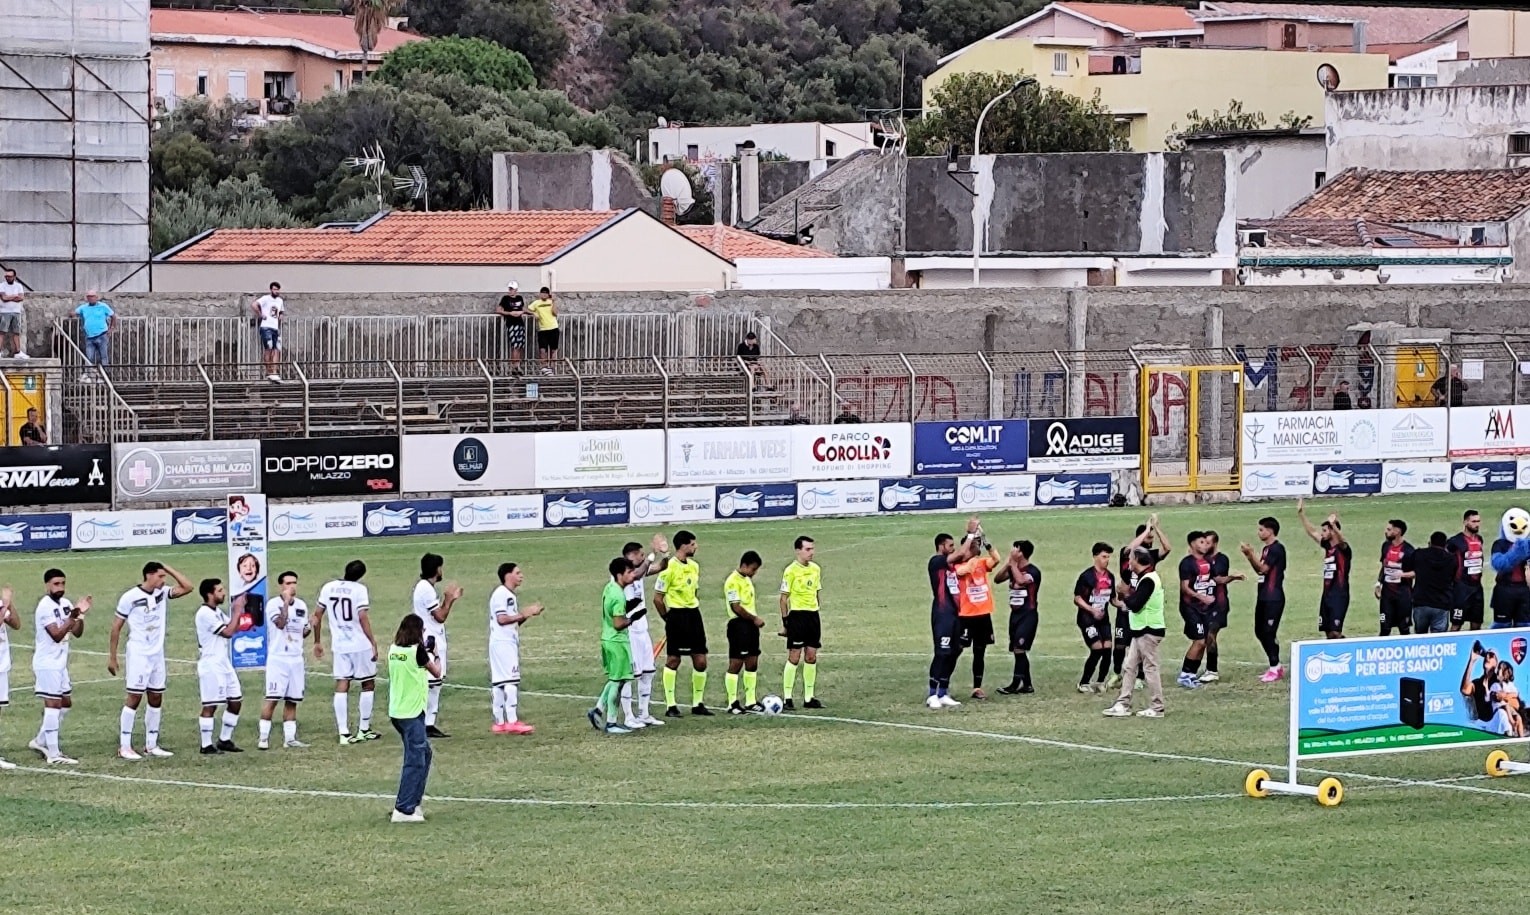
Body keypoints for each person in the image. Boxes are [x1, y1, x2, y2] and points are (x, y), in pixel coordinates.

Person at [109, 561, 193, 760]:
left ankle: (151, 744)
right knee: (135, 697)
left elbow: (188, 587)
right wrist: (112, 657)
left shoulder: (162, 593)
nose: (164, 580)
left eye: (165, 577)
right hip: (139, 653)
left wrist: (169, 568)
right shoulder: (130, 597)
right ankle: (124, 746)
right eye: (160, 576)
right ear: (148, 576)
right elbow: (116, 628)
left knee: (156, 696)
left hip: (157, 653)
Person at [314, 560, 379, 745]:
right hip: (359, 644)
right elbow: (362, 616)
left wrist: (317, 641)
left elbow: (317, 616)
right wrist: (372, 642)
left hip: (340, 645)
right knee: (367, 684)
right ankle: (363, 729)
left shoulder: (329, 587)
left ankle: (343, 732)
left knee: (342, 684)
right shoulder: (359, 590)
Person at [386, 613, 441, 823]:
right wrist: (435, 654)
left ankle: (413, 801)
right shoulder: (418, 652)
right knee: (415, 759)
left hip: (397, 711)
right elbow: (436, 672)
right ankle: (404, 808)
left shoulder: (394, 649)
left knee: (424, 753)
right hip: (412, 711)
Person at [1103, 547, 1167, 719]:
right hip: (1140, 631)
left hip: (1148, 630)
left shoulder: (1148, 580)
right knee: (1129, 667)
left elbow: (1137, 604)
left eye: (1131, 558)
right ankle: (1122, 704)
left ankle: (1157, 707)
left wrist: (1124, 596)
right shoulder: (1145, 578)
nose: (1128, 562)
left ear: (1138, 560)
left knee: (1149, 668)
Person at [31, 569, 86, 765]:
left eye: (62, 583)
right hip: (47, 663)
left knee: (65, 704)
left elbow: (77, 633)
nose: (60, 588)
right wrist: (71, 618)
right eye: (56, 584)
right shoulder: (44, 607)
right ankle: (53, 754)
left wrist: (79, 616)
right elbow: (56, 635)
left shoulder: (66, 604)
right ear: (47, 585)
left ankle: (40, 741)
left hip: (60, 664)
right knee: (53, 705)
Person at [1109, 517, 1170, 689]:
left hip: (1139, 603)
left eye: (1151, 539)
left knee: (1139, 643)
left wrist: (1156, 528)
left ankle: (1140, 677)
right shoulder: (1127, 554)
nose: (1150, 542)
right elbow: (1130, 548)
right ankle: (1116, 673)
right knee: (1120, 643)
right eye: (1147, 539)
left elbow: (1167, 549)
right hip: (1125, 605)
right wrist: (1146, 530)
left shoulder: (1149, 559)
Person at [655, 530, 710, 716]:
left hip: (694, 615)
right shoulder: (668, 568)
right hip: (676, 616)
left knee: (701, 660)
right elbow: (658, 598)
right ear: (683, 545)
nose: (696, 547)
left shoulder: (694, 566)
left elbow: (695, 591)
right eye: (693, 544)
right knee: (673, 660)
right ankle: (671, 705)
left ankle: (698, 704)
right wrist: (667, 619)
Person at [618, 536, 669, 729]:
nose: (642, 557)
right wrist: (652, 553)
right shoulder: (622, 573)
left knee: (648, 673)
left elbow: (661, 567)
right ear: (630, 556)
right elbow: (638, 574)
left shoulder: (639, 570)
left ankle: (644, 714)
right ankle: (629, 716)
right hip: (628, 631)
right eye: (639, 554)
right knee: (631, 675)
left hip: (642, 630)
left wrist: (665, 553)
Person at [488, 562, 541, 735]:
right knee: (510, 680)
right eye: (518, 572)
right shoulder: (502, 594)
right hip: (504, 643)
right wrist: (524, 613)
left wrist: (526, 615)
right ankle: (512, 721)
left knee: (500, 682)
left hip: (501, 641)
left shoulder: (507, 595)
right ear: (507, 575)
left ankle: (500, 722)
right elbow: (502, 619)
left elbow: (512, 621)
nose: (521, 575)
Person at [413, 553, 463, 739]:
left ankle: (427, 723)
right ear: (436, 569)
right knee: (432, 683)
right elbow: (440, 616)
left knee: (434, 683)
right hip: (430, 640)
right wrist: (449, 599)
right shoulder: (426, 589)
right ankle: (426, 724)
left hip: (430, 638)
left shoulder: (424, 587)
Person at [259, 570, 310, 750]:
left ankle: (290, 738)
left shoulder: (302, 605)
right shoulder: (274, 604)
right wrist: (286, 605)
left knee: (292, 699)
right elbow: (280, 624)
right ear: (281, 585)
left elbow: (303, 630)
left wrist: (311, 627)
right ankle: (263, 738)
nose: (292, 586)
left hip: (296, 658)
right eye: (288, 583)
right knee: (272, 698)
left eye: (294, 582)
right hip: (278, 658)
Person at [590, 557, 640, 735]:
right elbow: (618, 623)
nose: (633, 575)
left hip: (607, 639)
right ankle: (611, 722)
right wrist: (633, 618)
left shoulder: (610, 588)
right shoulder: (618, 595)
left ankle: (597, 709)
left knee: (614, 679)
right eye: (629, 572)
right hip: (617, 641)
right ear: (620, 575)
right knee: (618, 682)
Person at [194, 579, 244, 755]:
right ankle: (206, 745)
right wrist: (237, 611)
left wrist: (242, 613)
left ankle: (224, 740)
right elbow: (228, 633)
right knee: (211, 704)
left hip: (223, 662)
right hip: (211, 664)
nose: (223, 593)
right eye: (220, 590)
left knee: (235, 701)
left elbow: (233, 627)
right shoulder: (204, 614)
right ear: (210, 594)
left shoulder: (217, 612)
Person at [926, 525, 974, 708]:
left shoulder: (952, 565)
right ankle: (932, 694)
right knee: (942, 652)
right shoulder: (936, 561)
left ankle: (943, 691)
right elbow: (960, 553)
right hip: (942, 612)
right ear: (941, 546)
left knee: (955, 650)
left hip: (956, 614)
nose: (953, 549)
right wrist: (969, 534)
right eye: (950, 545)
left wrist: (977, 536)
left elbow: (969, 553)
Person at [1240, 517, 1288, 683]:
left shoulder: (1276, 549)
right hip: (1264, 597)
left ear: (1270, 530)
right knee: (1259, 631)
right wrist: (1251, 557)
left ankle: (1275, 667)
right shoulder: (1267, 549)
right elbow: (1259, 571)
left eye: (1261, 529)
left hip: (1273, 597)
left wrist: (1250, 554)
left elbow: (1263, 569)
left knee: (1268, 632)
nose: (1258, 532)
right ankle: (1275, 665)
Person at [954, 531, 1001, 700]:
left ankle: (977, 687)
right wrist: (973, 552)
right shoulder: (959, 566)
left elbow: (996, 560)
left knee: (980, 651)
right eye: (972, 546)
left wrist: (987, 543)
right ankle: (942, 681)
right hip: (966, 615)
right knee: (957, 649)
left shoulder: (982, 563)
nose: (976, 548)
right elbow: (968, 568)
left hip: (983, 615)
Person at [780, 535, 824, 710]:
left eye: (812, 549)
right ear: (798, 550)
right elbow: (783, 599)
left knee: (811, 656)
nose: (811, 552)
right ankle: (788, 698)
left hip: (813, 616)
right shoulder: (790, 571)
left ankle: (808, 698)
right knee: (794, 657)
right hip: (797, 617)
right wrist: (786, 622)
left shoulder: (816, 569)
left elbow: (816, 592)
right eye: (807, 549)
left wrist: (816, 608)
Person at [1298, 499, 1350, 638]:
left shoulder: (1343, 549)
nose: (1322, 533)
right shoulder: (1328, 547)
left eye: (1325, 530)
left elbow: (1343, 541)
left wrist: (1334, 525)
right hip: (1326, 595)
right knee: (1327, 631)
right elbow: (1312, 532)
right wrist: (1301, 515)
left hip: (1339, 595)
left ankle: (1344, 650)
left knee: (1335, 632)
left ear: (1333, 531)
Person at [995, 540, 1041, 695]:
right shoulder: (1013, 569)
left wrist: (1013, 564)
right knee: (1017, 651)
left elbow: (1022, 581)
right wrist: (1008, 564)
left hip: (1028, 615)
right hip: (1015, 615)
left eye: (1015, 549)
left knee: (1019, 649)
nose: (1012, 551)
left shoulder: (1033, 571)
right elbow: (997, 579)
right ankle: (1027, 685)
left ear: (1022, 553)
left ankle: (1015, 684)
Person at [1073, 542, 1119, 693]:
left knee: (1107, 648)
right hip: (1087, 618)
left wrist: (1125, 605)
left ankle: (1100, 681)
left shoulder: (1110, 577)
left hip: (1103, 618)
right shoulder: (1086, 577)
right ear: (1095, 557)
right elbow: (1077, 598)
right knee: (1097, 648)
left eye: (1108, 557)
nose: (1107, 560)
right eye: (1104, 556)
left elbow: (1112, 599)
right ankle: (1084, 683)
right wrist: (1091, 610)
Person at [724, 551, 766, 714]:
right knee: (736, 663)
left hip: (750, 627)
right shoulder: (732, 581)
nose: (754, 573)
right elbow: (736, 607)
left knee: (752, 662)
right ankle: (732, 702)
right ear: (744, 565)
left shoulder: (747, 580)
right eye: (753, 569)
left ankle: (750, 701)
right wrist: (754, 619)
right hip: (738, 625)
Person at [1199, 531, 1243, 684]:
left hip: (1219, 604)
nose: (1205, 545)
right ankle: (1202, 668)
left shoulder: (1222, 559)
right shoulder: (1200, 559)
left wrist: (1232, 577)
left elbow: (1219, 579)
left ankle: (1212, 670)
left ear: (1215, 543)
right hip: (1203, 605)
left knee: (1211, 633)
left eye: (1208, 542)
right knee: (1203, 636)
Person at [1175, 531, 1214, 690]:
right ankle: (1184, 675)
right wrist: (1201, 597)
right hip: (1190, 607)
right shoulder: (1186, 563)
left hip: (1203, 608)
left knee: (1204, 642)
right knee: (1199, 641)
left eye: (1206, 542)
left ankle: (1191, 674)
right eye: (1201, 542)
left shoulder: (1207, 562)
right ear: (1192, 544)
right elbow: (1185, 588)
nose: (1205, 545)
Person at [1376, 519, 1415, 637]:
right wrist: (1378, 583)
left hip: (1403, 594)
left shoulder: (1409, 550)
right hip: (1387, 595)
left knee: (1404, 629)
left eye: (1389, 529)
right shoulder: (1386, 546)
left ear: (1397, 531)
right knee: (1384, 629)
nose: (1385, 532)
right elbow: (1384, 566)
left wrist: (1402, 575)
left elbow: (1416, 572)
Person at [1490, 515, 1530, 629]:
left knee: (1524, 626)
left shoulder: (1527, 545)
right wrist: (1517, 551)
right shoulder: (1499, 544)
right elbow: (1500, 564)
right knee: (1501, 625)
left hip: (1524, 589)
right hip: (1504, 589)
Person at [1448, 510, 1486, 632]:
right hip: (1461, 588)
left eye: (1478, 521)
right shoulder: (1455, 541)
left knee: (1476, 624)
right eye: (1473, 521)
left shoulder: (1480, 539)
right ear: (1465, 522)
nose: (1477, 524)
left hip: (1477, 588)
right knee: (1456, 624)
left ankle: (1475, 648)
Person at [1412, 532, 1456, 635]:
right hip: (1441, 603)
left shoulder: (1419, 554)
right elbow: (1454, 577)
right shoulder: (1451, 559)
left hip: (1421, 602)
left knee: (1420, 637)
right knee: (1439, 639)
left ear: (1430, 542)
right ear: (1445, 545)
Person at [252, 281, 284, 383]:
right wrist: (260, 315)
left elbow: (281, 311)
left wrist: (281, 316)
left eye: (278, 289)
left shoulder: (280, 301)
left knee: (276, 349)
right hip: (266, 327)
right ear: (271, 290)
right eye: (274, 289)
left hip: (275, 327)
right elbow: (254, 304)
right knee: (268, 348)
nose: (276, 291)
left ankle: (274, 372)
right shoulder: (266, 298)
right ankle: (269, 372)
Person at [75, 290, 114, 368]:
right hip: (89, 337)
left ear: (96, 297)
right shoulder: (84, 307)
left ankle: (105, 376)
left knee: (104, 357)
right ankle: (89, 376)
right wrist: (72, 315)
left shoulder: (103, 306)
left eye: (92, 296)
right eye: (89, 297)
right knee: (89, 358)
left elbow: (113, 316)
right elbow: (75, 312)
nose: (91, 298)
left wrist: (111, 329)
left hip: (102, 335)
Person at [494, 280, 528, 370]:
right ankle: (514, 366)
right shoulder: (505, 298)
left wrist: (525, 312)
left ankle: (518, 364)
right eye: (509, 289)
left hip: (520, 323)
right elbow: (498, 310)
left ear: (516, 289)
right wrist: (510, 313)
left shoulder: (520, 298)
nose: (510, 290)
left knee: (520, 345)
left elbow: (523, 308)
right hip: (511, 323)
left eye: (512, 289)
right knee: (515, 345)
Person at [528, 286, 559, 374]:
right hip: (543, 329)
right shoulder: (536, 303)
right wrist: (533, 313)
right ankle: (544, 367)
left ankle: (552, 368)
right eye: (542, 292)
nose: (544, 294)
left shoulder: (551, 302)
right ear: (540, 294)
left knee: (553, 349)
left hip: (553, 328)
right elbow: (526, 309)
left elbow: (555, 313)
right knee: (542, 349)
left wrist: (554, 301)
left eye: (546, 293)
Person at [0, 267, 26, 358]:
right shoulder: (2, 285)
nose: (8, 278)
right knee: (2, 332)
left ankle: (18, 352)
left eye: (10, 276)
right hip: (4, 312)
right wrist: (15, 296)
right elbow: (4, 298)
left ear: (14, 277)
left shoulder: (18, 286)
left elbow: (21, 298)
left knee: (16, 332)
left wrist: (9, 297)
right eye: (6, 276)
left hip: (16, 312)